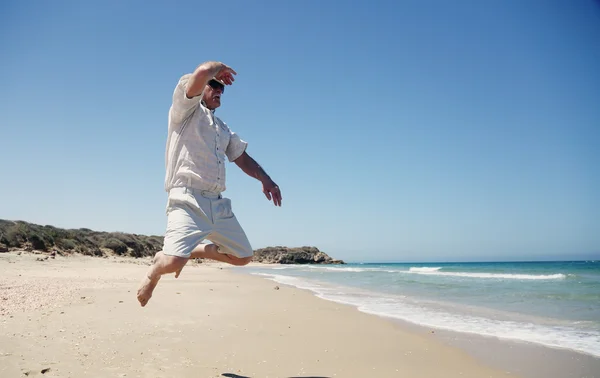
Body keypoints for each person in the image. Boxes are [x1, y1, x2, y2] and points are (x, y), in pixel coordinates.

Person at [137, 61, 282, 307]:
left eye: (221, 88)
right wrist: (216, 70)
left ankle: (193, 250)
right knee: (172, 263)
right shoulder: (184, 112)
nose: (218, 90)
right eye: (213, 86)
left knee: (243, 256)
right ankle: (154, 271)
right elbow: (202, 72)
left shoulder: (222, 128)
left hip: (217, 203)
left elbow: (241, 157)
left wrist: (266, 179)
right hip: (187, 199)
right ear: (201, 87)